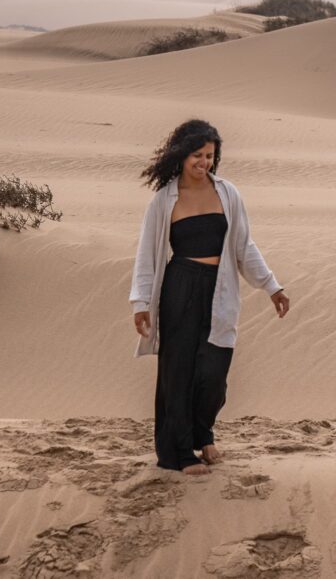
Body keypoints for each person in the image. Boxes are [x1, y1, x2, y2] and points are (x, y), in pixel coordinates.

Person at [129, 119, 290, 476]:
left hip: (221, 288)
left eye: (209, 156)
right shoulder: (163, 200)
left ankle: (204, 433)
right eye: (197, 155)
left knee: (214, 371)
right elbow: (146, 255)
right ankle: (180, 452)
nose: (204, 163)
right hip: (181, 286)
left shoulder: (228, 193)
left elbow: (244, 247)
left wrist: (271, 286)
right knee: (179, 371)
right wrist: (141, 303)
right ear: (182, 156)